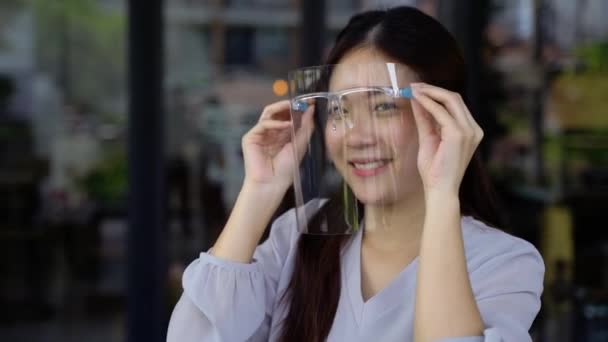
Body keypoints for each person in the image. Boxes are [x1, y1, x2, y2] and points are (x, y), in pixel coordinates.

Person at [167, 6, 544, 342]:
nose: (357, 137)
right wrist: (259, 191)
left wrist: (443, 195)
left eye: (383, 108)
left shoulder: (502, 262)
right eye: (338, 111)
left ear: (444, 115)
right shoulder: (297, 236)